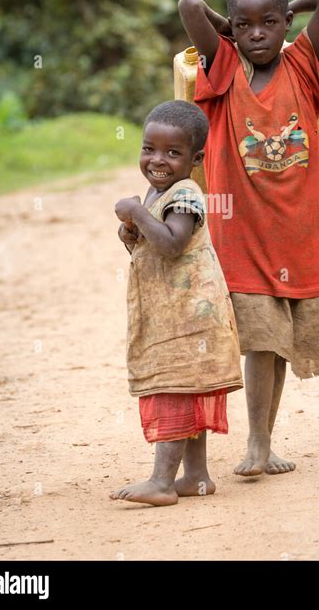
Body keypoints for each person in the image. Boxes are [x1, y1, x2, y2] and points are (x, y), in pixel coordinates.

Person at [178, 0, 319, 477]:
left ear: (287, 22)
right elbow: (188, 5)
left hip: (302, 235)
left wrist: (290, 14)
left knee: (281, 349)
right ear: (231, 28)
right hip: (244, 239)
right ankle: (256, 445)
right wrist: (223, 27)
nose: (256, 34)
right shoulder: (224, 67)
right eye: (244, 25)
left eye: (269, 23)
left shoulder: (303, 64)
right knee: (261, 343)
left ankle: (265, 442)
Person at [110, 100, 243, 506]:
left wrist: (136, 211)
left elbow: (170, 244)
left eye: (173, 152)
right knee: (189, 389)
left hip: (188, 319)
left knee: (173, 389)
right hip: (176, 316)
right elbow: (153, 243)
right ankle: (197, 476)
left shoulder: (186, 193)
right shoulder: (160, 192)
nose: (157, 160)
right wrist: (132, 232)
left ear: (196, 158)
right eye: (149, 148)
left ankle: (162, 482)